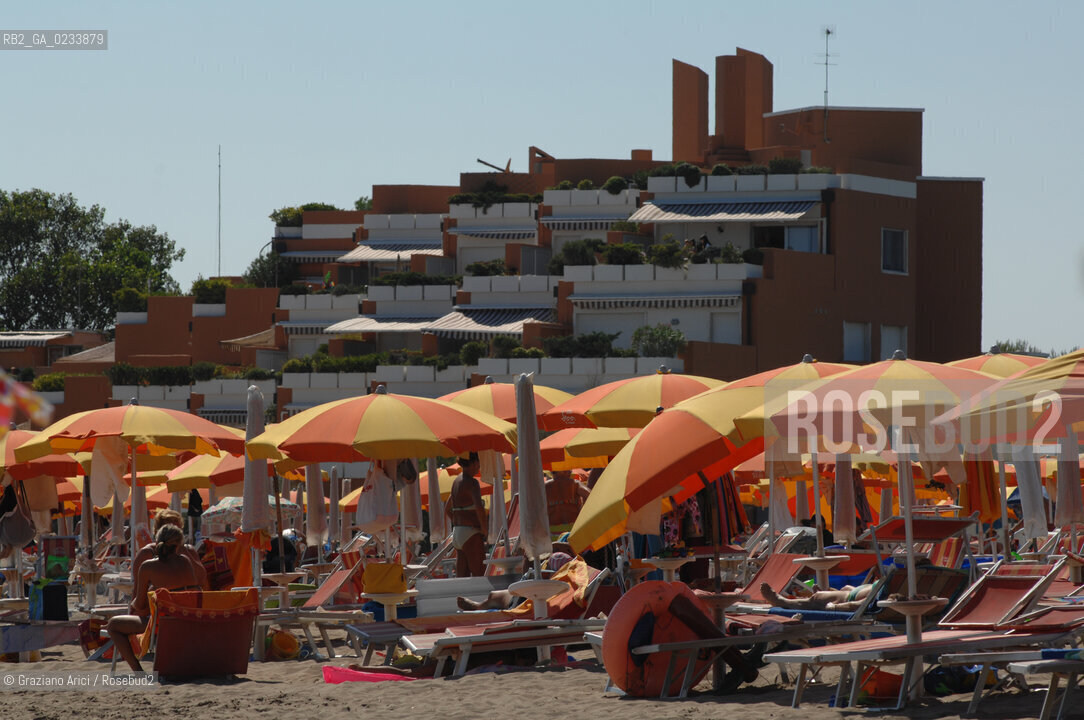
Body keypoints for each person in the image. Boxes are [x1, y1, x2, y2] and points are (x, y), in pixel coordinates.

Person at [107, 524, 207, 672]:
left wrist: (143, 597)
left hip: (162, 625)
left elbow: (140, 606)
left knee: (113, 625)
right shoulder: (186, 561)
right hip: (187, 621)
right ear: (179, 544)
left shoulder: (148, 567)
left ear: (157, 541)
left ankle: (138, 672)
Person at [131, 509, 208, 591]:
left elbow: (203, 582)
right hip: (157, 602)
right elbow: (137, 590)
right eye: (168, 531)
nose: (173, 534)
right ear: (158, 532)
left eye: (177, 531)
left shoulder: (188, 551)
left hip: (186, 601)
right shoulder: (147, 554)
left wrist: (183, 552)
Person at [444, 452, 486, 578]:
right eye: (478, 463)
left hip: (457, 533)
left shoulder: (456, 482)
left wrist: (458, 522)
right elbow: (479, 508)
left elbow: (447, 509)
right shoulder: (472, 483)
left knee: (462, 579)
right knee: (480, 575)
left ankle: (461, 599)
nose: (479, 466)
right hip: (471, 533)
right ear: (473, 463)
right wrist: (485, 529)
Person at [759, 581, 874, 612]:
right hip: (853, 592)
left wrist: (834, 608)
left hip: (848, 598)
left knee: (817, 599)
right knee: (846, 588)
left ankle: (782, 602)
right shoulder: (889, 586)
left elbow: (860, 604)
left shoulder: (888, 594)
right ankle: (826, 594)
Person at [545, 469, 590, 535]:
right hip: (573, 531)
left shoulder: (544, 487)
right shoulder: (574, 484)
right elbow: (591, 496)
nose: (570, 471)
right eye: (568, 469)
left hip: (552, 531)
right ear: (563, 470)